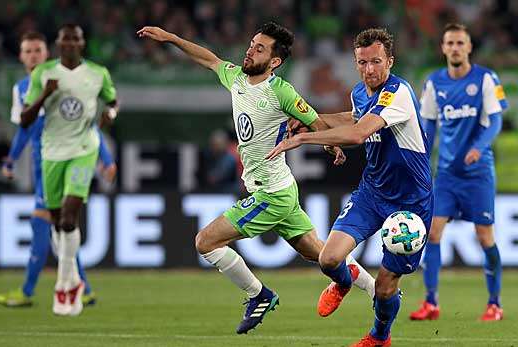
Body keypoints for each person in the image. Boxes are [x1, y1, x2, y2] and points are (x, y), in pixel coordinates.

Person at [137, 21, 375, 334]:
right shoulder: (236, 77)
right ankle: (377, 290)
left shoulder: (281, 92)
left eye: (259, 48)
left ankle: (258, 295)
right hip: (281, 188)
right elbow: (208, 59)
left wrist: (332, 145)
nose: (250, 51)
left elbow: (315, 121)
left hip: (271, 194)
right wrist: (171, 37)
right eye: (252, 44)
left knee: (205, 242)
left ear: (275, 61)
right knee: (321, 254)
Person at [267, 28, 433, 347]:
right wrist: (314, 119)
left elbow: (358, 134)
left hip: (411, 205)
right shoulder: (359, 92)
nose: (369, 69)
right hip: (373, 193)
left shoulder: (397, 93)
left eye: (376, 62)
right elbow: (354, 118)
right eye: (362, 62)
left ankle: (379, 337)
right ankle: (344, 282)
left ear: (390, 61)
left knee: (385, 288)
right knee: (329, 259)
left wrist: (304, 137)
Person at [0, 31, 116, 308]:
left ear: (47, 53)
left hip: (69, 159)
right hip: (44, 166)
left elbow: (88, 126)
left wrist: (104, 159)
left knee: (46, 224)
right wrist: (12, 159)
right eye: (28, 51)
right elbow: (24, 131)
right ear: (21, 56)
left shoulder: (64, 82)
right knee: (61, 228)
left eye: (38, 50)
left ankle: (28, 291)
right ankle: (80, 287)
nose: (33, 56)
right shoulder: (21, 88)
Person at [409, 23, 508, 322]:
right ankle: (431, 303)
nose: (454, 47)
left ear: (469, 47)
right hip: (448, 175)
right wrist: (420, 156)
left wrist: (478, 146)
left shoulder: (485, 79)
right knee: (433, 233)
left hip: (478, 174)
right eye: (449, 42)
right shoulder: (433, 83)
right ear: (443, 47)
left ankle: (494, 303)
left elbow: (496, 121)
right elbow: (427, 126)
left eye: (460, 43)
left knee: (484, 236)